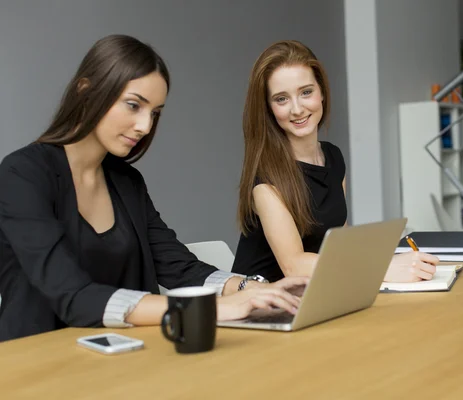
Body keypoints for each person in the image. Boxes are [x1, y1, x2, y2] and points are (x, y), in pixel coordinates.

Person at [0, 34, 306, 342]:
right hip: (37, 365)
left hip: (126, 357)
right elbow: (73, 296)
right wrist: (212, 308)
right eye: (134, 105)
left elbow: (180, 267)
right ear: (86, 91)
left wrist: (252, 289)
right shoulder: (22, 175)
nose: (145, 126)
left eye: (154, 113)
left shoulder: (127, 181)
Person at [232, 40, 439, 282]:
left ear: (322, 93)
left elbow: (337, 242)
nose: (297, 109)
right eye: (281, 99)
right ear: (268, 109)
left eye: (306, 92)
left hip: (316, 294)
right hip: (264, 306)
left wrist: (388, 258)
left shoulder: (332, 157)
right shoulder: (266, 182)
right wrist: (382, 268)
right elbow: (294, 266)